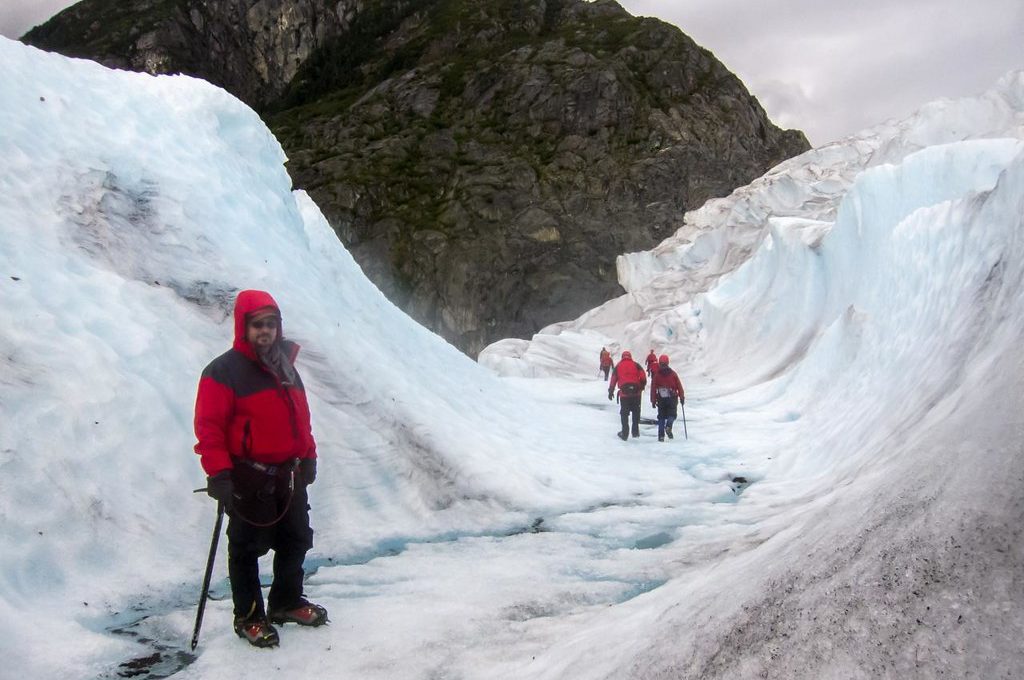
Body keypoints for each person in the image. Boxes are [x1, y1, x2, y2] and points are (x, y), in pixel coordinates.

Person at [193, 289, 327, 648]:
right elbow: (209, 428)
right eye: (258, 325)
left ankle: (286, 602)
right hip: (249, 476)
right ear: (243, 326)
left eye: (271, 324)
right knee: (246, 547)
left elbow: (301, 419)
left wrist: (308, 454)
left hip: (289, 473)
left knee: (296, 538)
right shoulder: (223, 372)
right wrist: (219, 473)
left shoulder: (285, 366)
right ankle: (250, 617)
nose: (265, 331)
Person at [608, 350, 647, 440]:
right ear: (630, 357)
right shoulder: (636, 365)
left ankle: (625, 433)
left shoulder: (618, 366)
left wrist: (611, 391)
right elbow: (643, 377)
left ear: (622, 357)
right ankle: (635, 432)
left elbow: (613, 379)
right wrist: (641, 386)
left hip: (624, 395)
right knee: (636, 412)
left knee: (624, 413)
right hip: (636, 394)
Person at [650, 354, 685, 442]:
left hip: (661, 398)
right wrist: (681, 397)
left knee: (661, 417)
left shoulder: (657, 375)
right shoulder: (673, 374)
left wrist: (653, 400)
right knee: (672, 414)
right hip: (672, 398)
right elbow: (679, 386)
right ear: (668, 362)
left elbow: (653, 388)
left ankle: (661, 436)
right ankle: (669, 425)